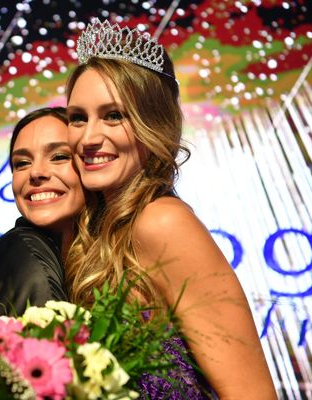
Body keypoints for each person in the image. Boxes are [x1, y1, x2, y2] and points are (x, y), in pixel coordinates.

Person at [64, 19, 277, 399]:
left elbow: (252, 393)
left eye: (114, 115)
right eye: (78, 117)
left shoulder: (163, 222)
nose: (89, 138)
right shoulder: (100, 232)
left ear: (153, 124)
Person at [0, 107, 85, 326]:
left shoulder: (120, 257)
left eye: (58, 157)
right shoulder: (24, 253)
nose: (36, 172)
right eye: (22, 163)